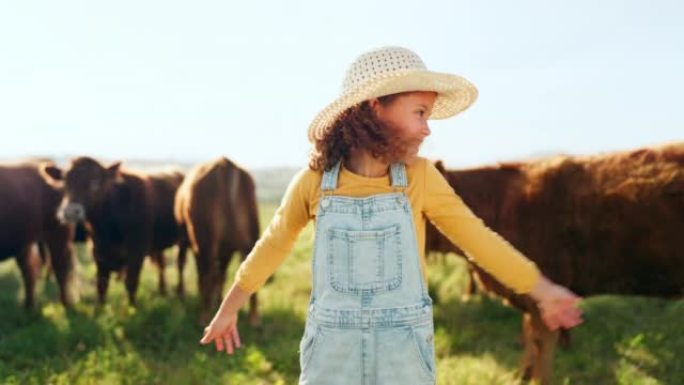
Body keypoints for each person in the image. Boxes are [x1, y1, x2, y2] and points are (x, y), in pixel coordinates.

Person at [199, 46, 583, 384]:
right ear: (374, 108)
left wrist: (542, 289)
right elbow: (272, 246)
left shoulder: (421, 179)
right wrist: (228, 310)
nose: (427, 129)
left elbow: (478, 241)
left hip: (405, 354)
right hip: (331, 354)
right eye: (419, 113)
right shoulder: (314, 183)